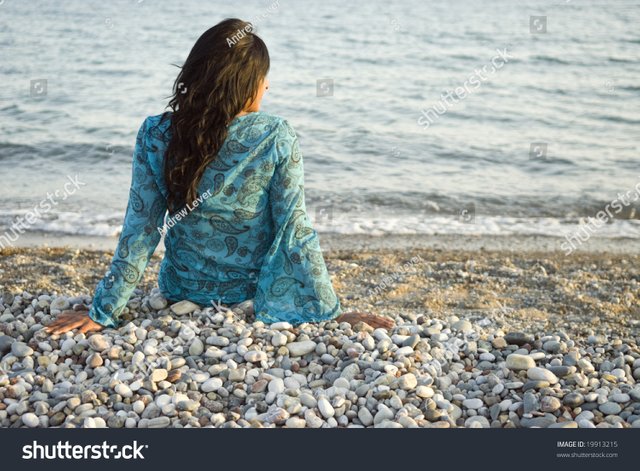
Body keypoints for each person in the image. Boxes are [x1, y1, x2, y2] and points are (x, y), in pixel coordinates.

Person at [46, 19, 393, 336]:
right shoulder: (275, 135)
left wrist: (104, 310)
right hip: (251, 292)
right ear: (243, 84)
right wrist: (327, 311)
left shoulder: (155, 132)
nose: (267, 86)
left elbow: (142, 226)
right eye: (262, 77)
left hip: (181, 288)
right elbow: (294, 227)